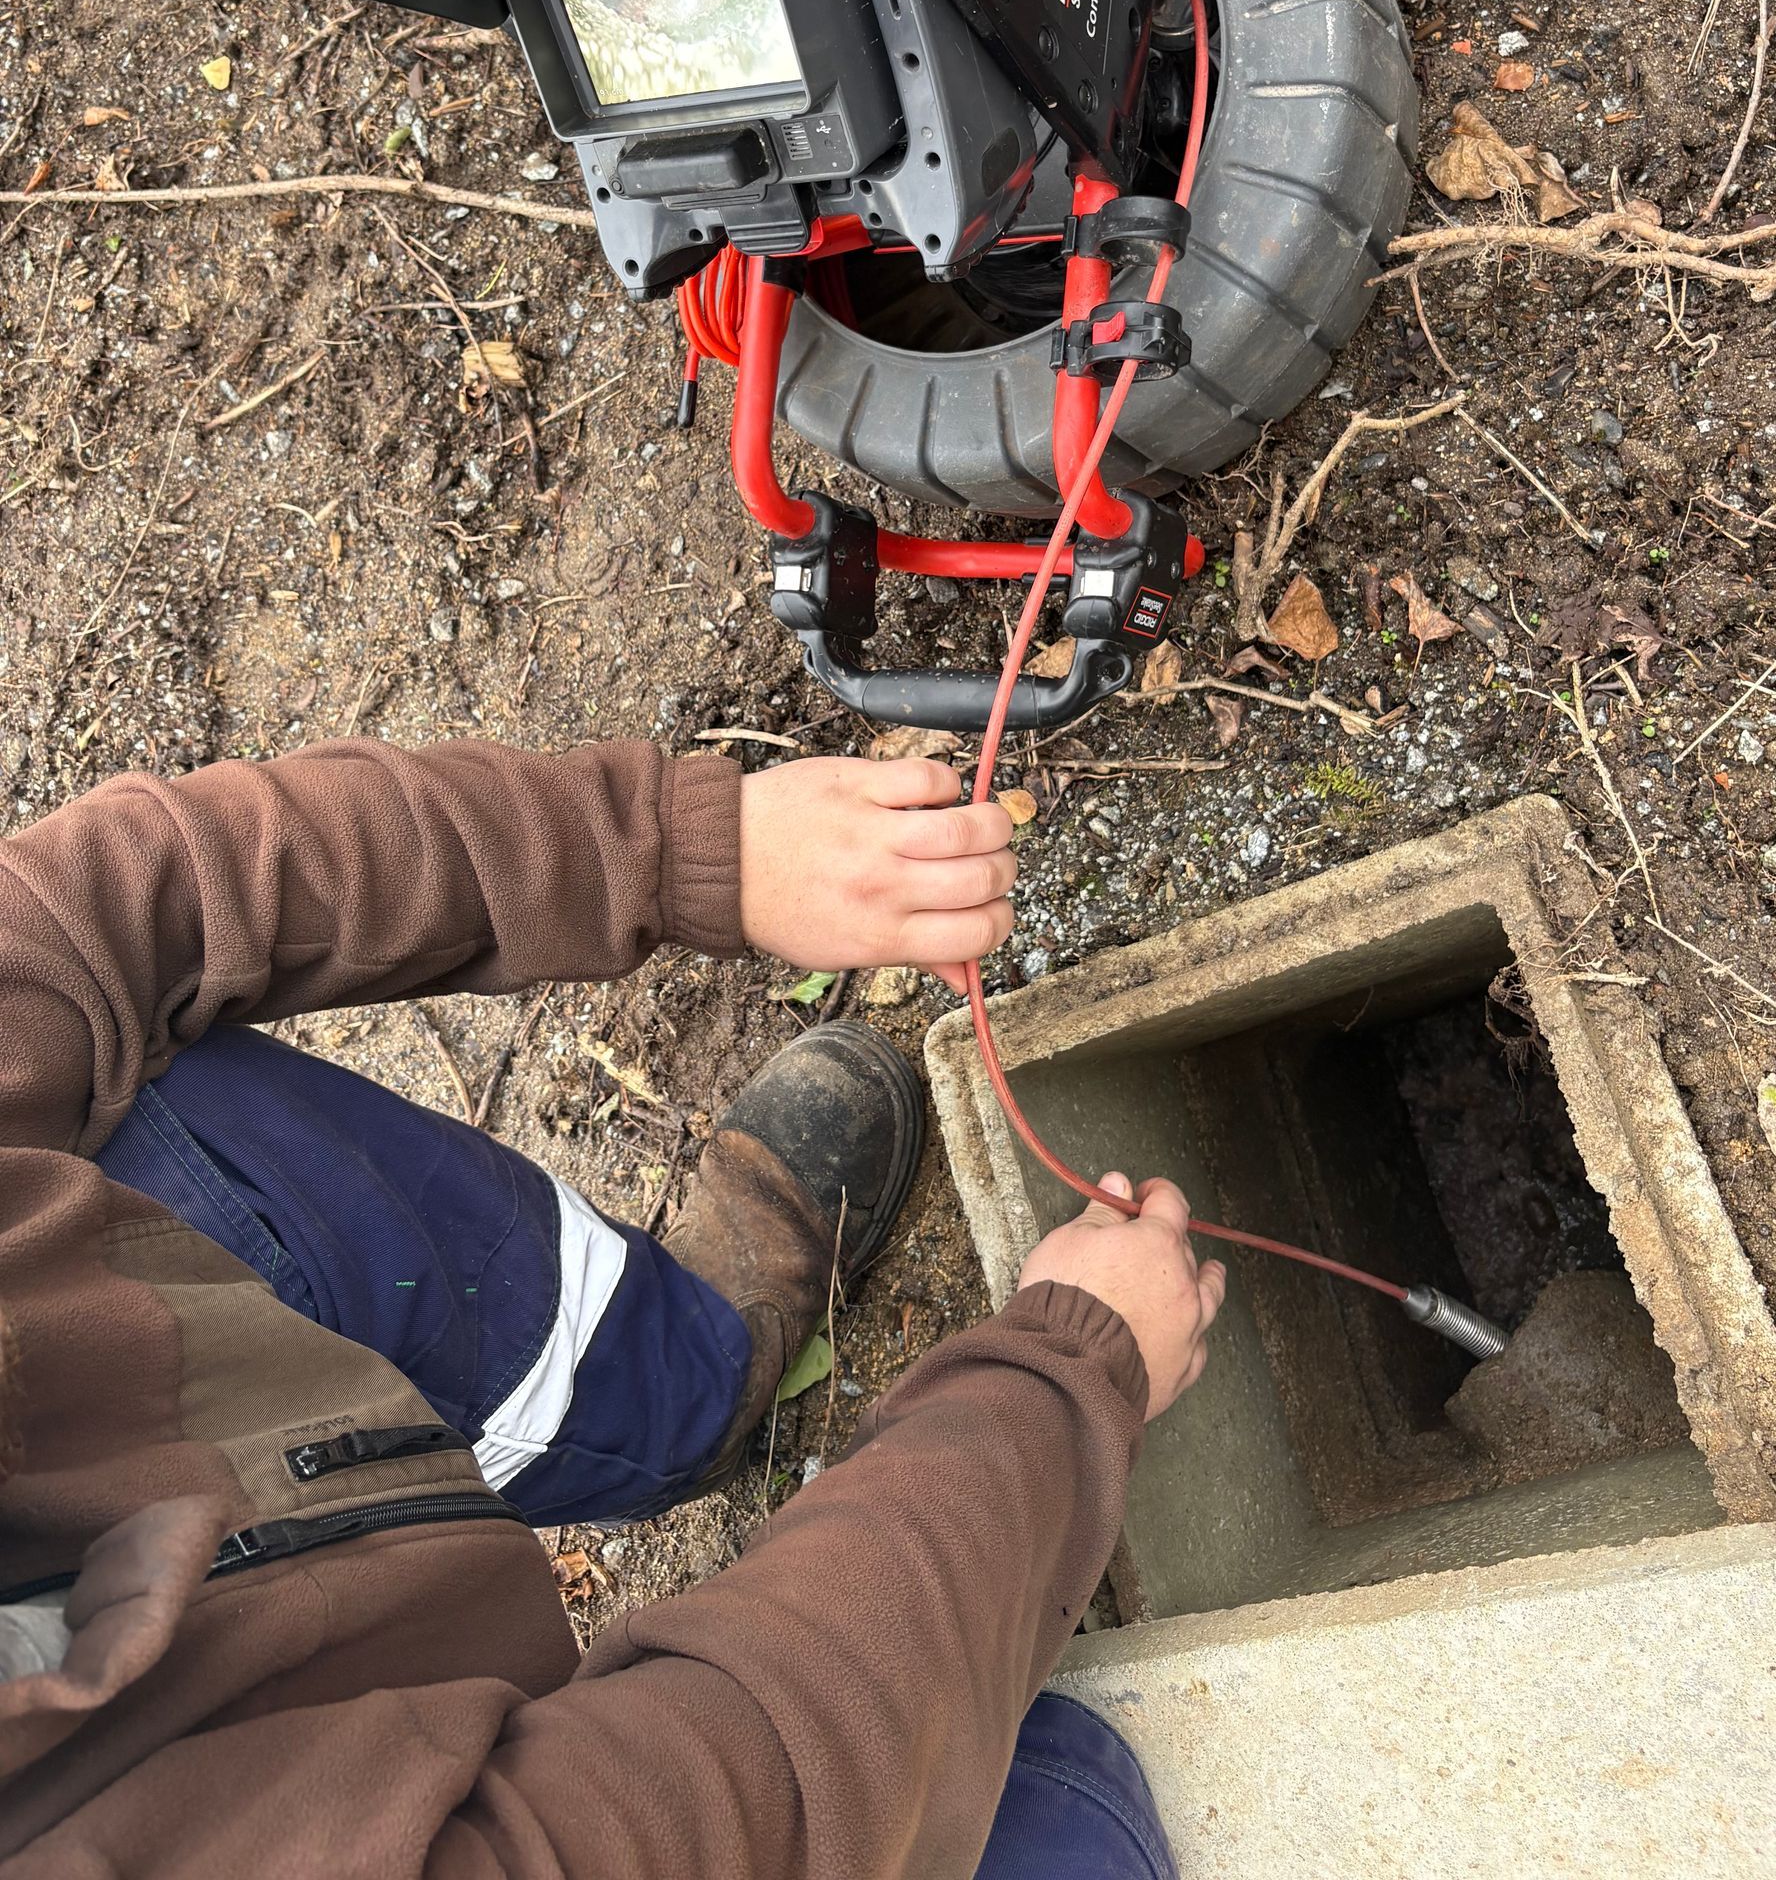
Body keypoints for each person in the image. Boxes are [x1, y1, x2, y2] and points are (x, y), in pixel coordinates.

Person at [0, 733, 1225, 1875]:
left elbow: (124, 897)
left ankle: (684, 1381)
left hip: (206, 1356)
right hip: (419, 1783)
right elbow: (706, 1801)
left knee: (167, 1110)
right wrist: (1067, 1378)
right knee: (1063, 1793)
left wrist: (680, 852)